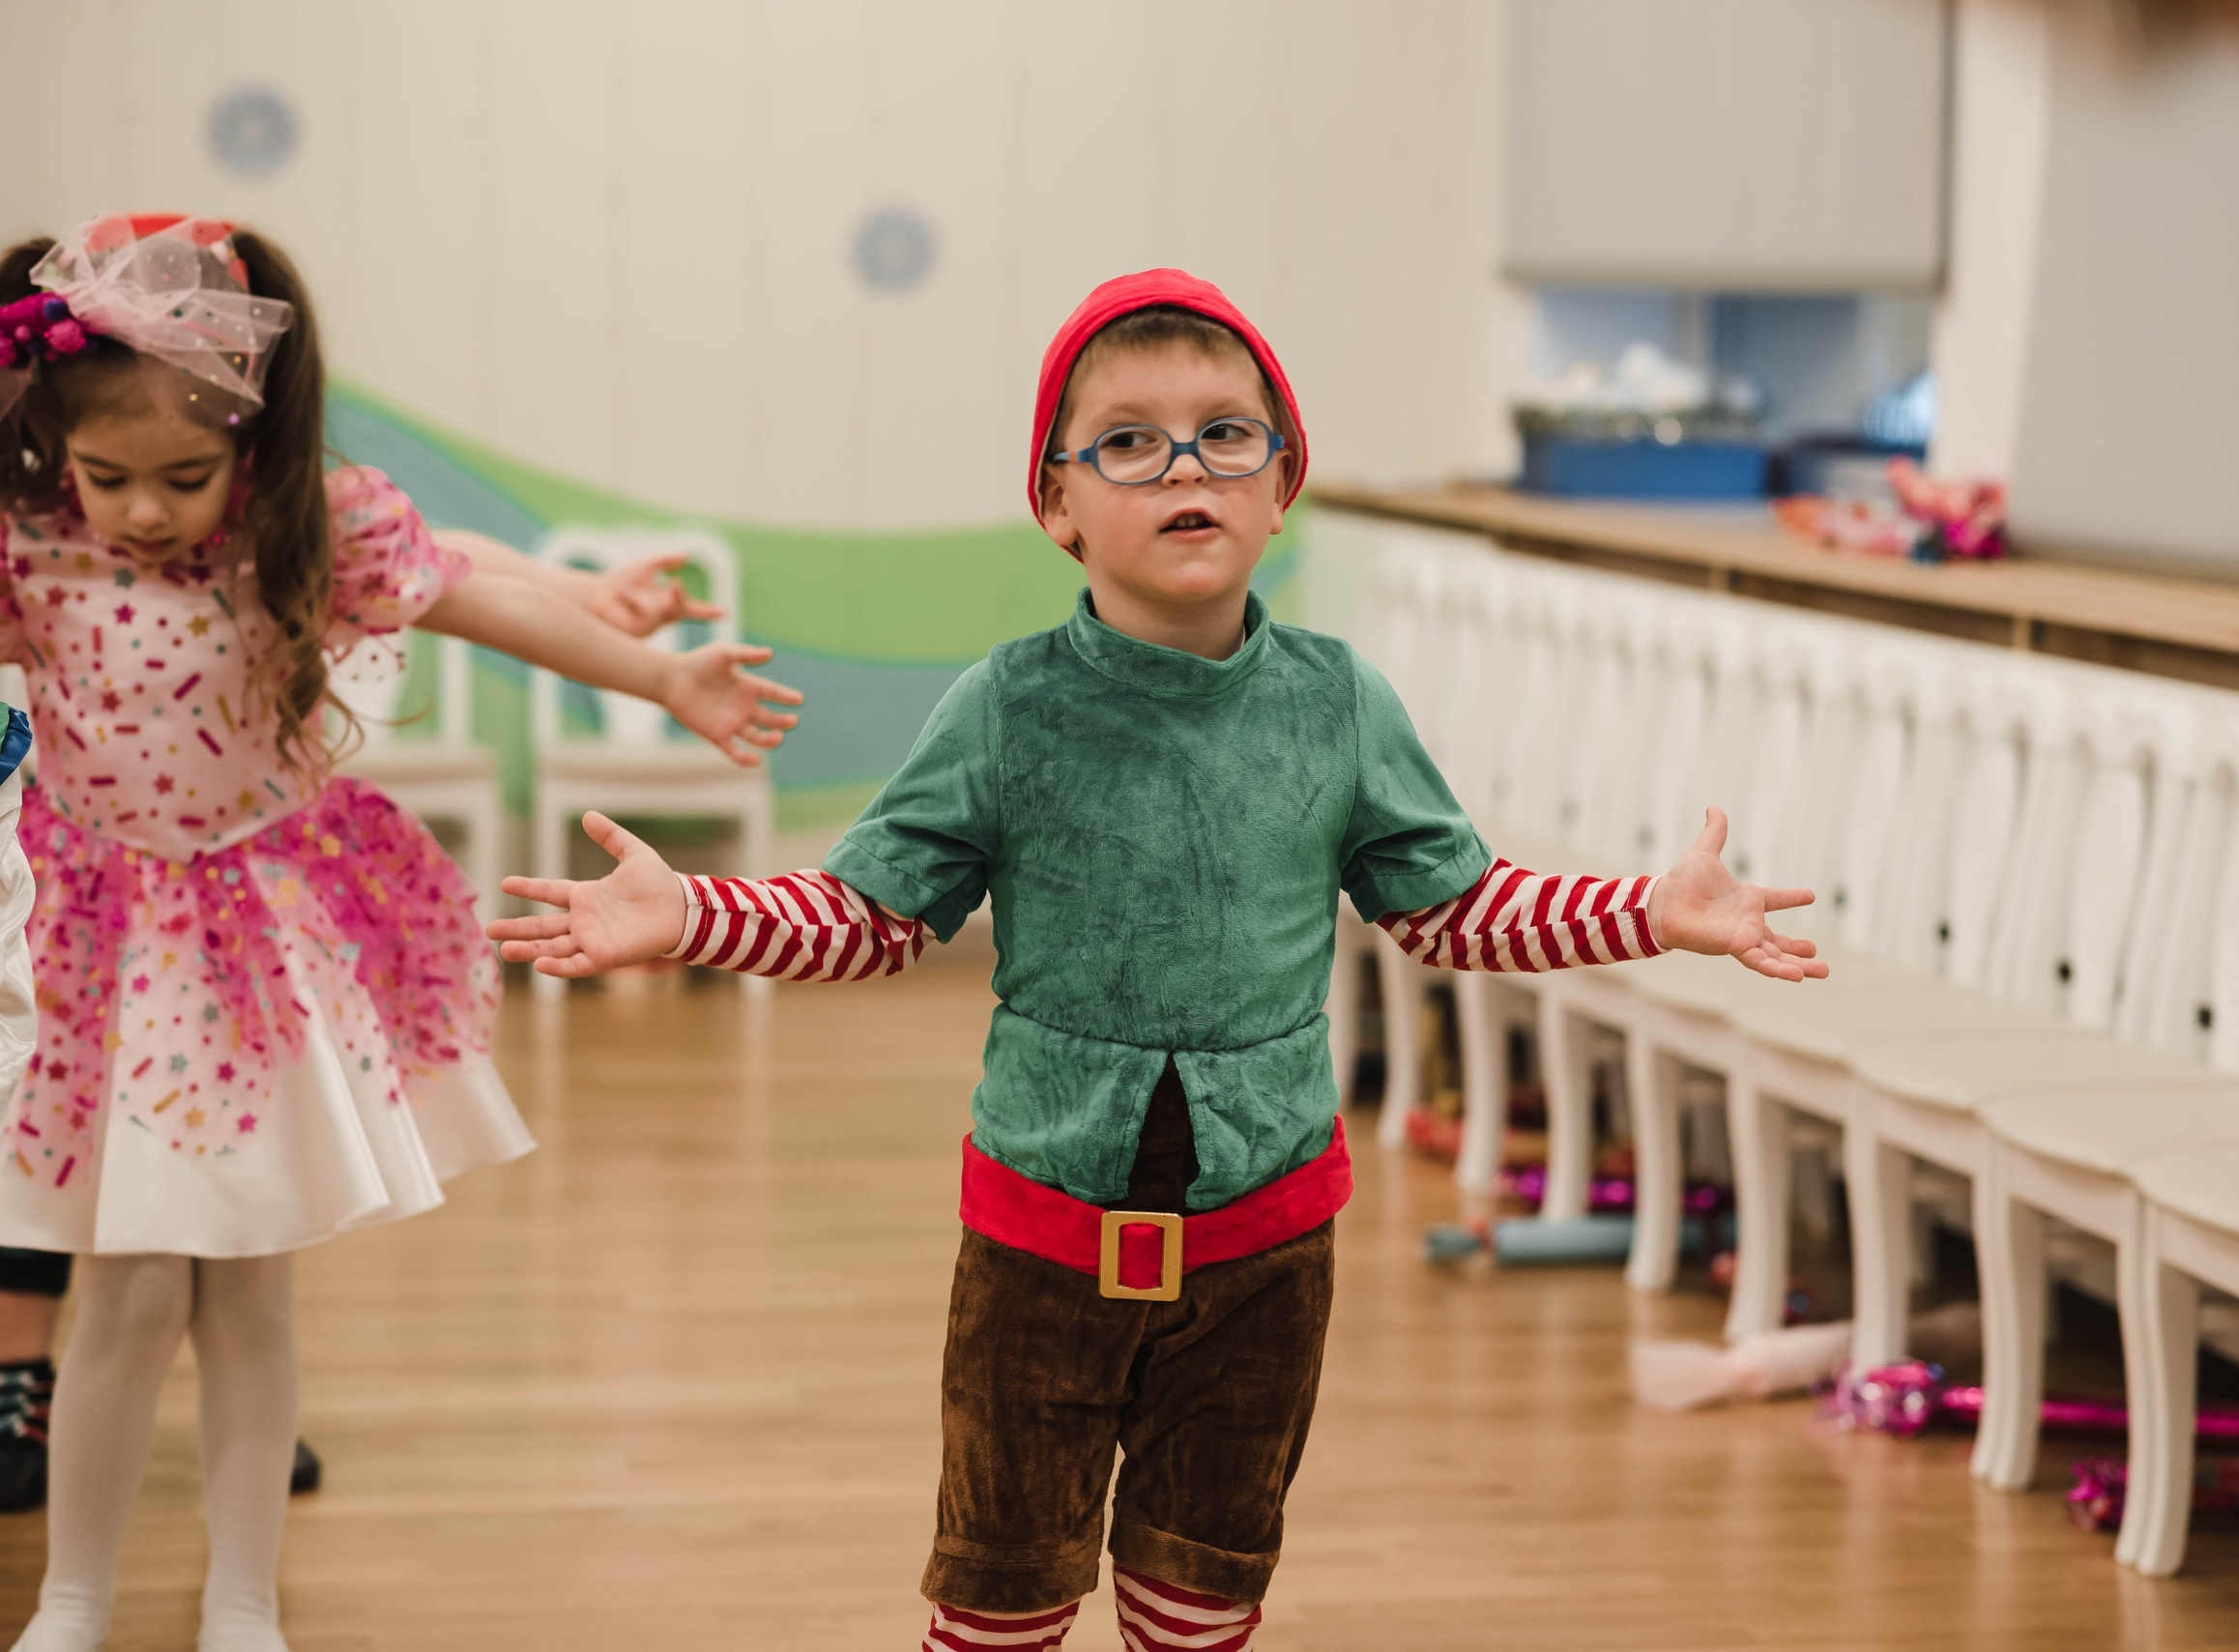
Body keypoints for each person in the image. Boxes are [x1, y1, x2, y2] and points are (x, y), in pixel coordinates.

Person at [489, 270, 1825, 1652]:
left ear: (1282, 478)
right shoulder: (1007, 707)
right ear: (1059, 504)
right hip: (1038, 1248)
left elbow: (1452, 907)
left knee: (1204, 1592)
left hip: (1266, 1252)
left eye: (1226, 433)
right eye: (1129, 439)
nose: (1186, 464)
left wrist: (1647, 908)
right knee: (999, 1595)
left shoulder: (1340, 702)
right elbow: (876, 915)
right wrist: (693, 914)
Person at [0, 214, 801, 1652]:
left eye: (182, 475)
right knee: (118, 1292)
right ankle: (76, 1594)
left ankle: (241, 1598)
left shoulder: (305, 529)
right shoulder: (32, 554)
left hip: (254, 953)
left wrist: (661, 675)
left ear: (250, 442)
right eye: (105, 475)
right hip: (107, 957)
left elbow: (482, 596)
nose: (141, 509)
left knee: (248, 1287)